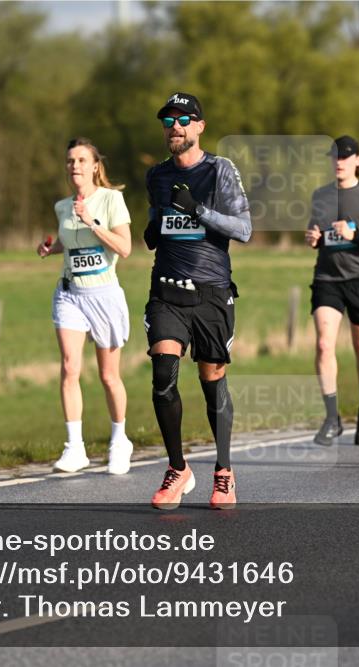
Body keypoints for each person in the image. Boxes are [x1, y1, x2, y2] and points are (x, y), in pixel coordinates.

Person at [142, 92, 251, 510]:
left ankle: (223, 472)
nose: (175, 127)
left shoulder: (220, 171)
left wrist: (198, 210)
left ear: (200, 126)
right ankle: (178, 467)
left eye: (183, 119)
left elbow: (243, 229)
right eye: (168, 120)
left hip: (211, 293)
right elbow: (156, 221)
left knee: (212, 381)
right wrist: (154, 230)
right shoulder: (157, 176)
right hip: (166, 290)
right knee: (163, 373)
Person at [38, 138, 135, 475]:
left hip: (104, 296)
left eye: (81, 160)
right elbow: (68, 240)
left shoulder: (111, 200)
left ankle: (120, 440)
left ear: (95, 166)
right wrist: (51, 249)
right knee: (69, 368)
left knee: (109, 376)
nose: (74, 166)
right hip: (70, 294)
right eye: (69, 161)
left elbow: (124, 248)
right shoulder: (63, 206)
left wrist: (92, 221)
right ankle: (74, 448)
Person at [304, 136, 359, 446]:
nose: (339, 162)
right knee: (323, 344)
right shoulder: (321, 196)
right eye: (335, 157)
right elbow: (318, 232)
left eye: (346, 156)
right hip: (328, 279)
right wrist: (314, 237)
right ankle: (332, 418)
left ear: (358, 160)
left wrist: (355, 234)